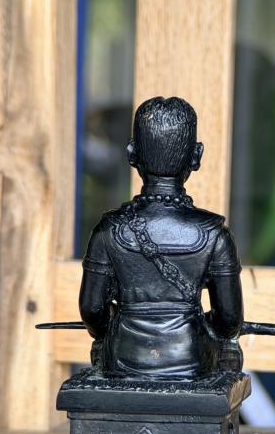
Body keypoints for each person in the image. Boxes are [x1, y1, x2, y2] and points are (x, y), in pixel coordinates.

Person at [79, 96, 243, 379]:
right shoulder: (215, 235)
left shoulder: (108, 231)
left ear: (132, 154)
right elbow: (229, 321)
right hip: (189, 362)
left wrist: (113, 328)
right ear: (197, 156)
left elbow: (92, 310)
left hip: (124, 361)